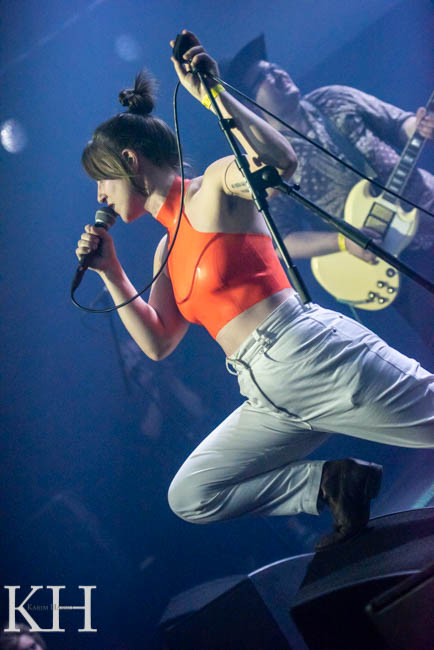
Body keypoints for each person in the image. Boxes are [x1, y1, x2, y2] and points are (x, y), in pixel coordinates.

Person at [76, 30, 434, 550]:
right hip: (263, 390)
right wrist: (111, 272)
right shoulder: (162, 254)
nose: (99, 195)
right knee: (192, 494)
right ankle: (333, 483)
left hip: (309, 353)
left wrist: (216, 97)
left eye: (101, 179)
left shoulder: (214, 186)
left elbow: (282, 160)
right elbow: (157, 343)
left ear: (130, 161)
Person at [220, 35, 434, 351]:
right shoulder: (270, 161)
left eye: (274, 67)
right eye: (264, 76)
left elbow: (397, 124)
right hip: (392, 260)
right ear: (251, 104)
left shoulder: (334, 98)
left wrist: (418, 127)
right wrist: (344, 242)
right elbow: (283, 239)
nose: (277, 74)